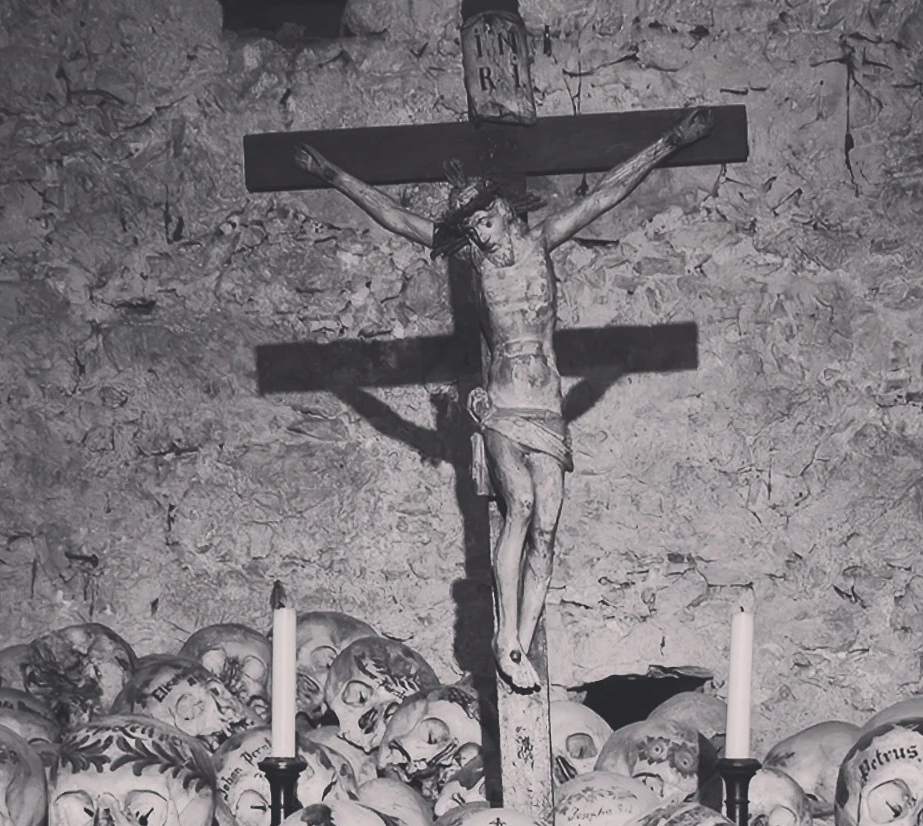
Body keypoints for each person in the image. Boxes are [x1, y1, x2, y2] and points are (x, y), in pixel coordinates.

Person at [295, 106, 712, 692]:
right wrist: (333, 175)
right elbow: (398, 220)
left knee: (548, 527)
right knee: (516, 507)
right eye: (469, 232)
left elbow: (608, 194)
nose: (478, 238)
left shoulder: (542, 241)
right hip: (502, 405)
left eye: (482, 225)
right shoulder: (473, 261)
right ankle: (505, 637)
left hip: (547, 406)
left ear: (500, 212)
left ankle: (525, 633)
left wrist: (670, 141)